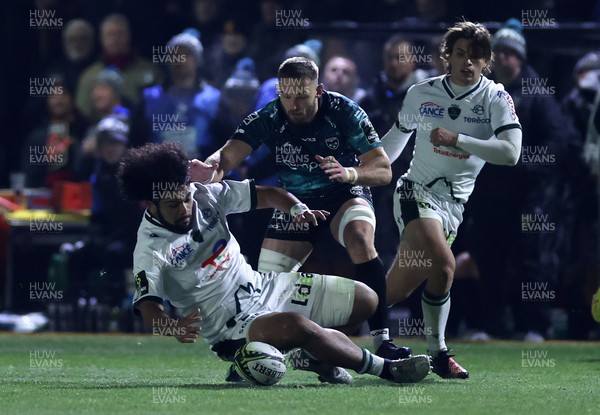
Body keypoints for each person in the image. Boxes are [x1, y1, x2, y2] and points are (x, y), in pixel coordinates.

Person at [117, 141, 430, 385]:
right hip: (233, 328)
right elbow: (149, 309)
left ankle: (316, 358)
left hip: (264, 287)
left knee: (367, 299)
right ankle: (386, 369)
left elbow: (268, 194)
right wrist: (172, 328)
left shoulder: (204, 195)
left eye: (186, 197)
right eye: (174, 204)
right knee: (296, 326)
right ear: (151, 203)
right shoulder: (150, 248)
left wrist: (296, 209)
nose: (186, 207)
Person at [190, 57, 411, 361]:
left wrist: (350, 173)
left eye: (302, 96)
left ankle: (383, 341)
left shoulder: (345, 112)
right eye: (286, 96)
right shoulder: (270, 115)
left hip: (343, 193)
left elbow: (384, 169)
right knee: (266, 287)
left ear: (318, 90)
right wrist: (209, 169)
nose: (293, 105)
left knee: (360, 238)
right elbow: (227, 157)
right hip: (295, 205)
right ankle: (265, 353)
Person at [381, 21, 523, 378]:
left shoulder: (496, 97)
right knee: (445, 266)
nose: (467, 62)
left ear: (486, 60)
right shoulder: (421, 93)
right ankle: (439, 354)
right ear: (447, 56)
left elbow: (511, 153)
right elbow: (395, 141)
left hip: (453, 207)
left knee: (387, 292)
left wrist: (458, 138)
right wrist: (357, 172)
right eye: (460, 53)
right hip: (415, 192)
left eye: (476, 55)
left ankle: (321, 329)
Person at [141, 29, 221, 160]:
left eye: (187, 54)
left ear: (197, 60)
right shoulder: (150, 97)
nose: (180, 59)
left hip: (201, 172)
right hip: (158, 170)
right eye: (175, 54)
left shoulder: (213, 98)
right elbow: (137, 139)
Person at [75, 13, 161, 120]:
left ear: (129, 35)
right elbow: (84, 113)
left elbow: (160, 107)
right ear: (101, 38)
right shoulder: (89, 75)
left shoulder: (150, 70)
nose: (115, 39)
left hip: (142, 130)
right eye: (110, 34)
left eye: (120, 33)